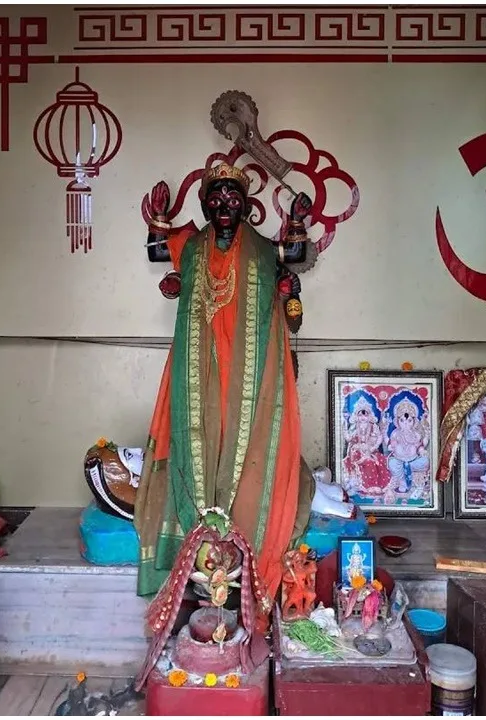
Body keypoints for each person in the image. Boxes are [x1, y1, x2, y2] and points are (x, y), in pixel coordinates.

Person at [135, 162, 314, 608]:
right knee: (201, 438)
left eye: (233, 199)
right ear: (206, 204)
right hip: (200, 370)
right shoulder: (192, 248)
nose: (224, 207)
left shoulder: (260, 250)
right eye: (215, 199)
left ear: (247, 206)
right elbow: (159, 248)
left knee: (247, 444)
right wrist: (158, 218)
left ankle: (240, 547)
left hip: (249, 372)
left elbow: (293, 256)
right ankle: (198, 549)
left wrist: (294, 226)